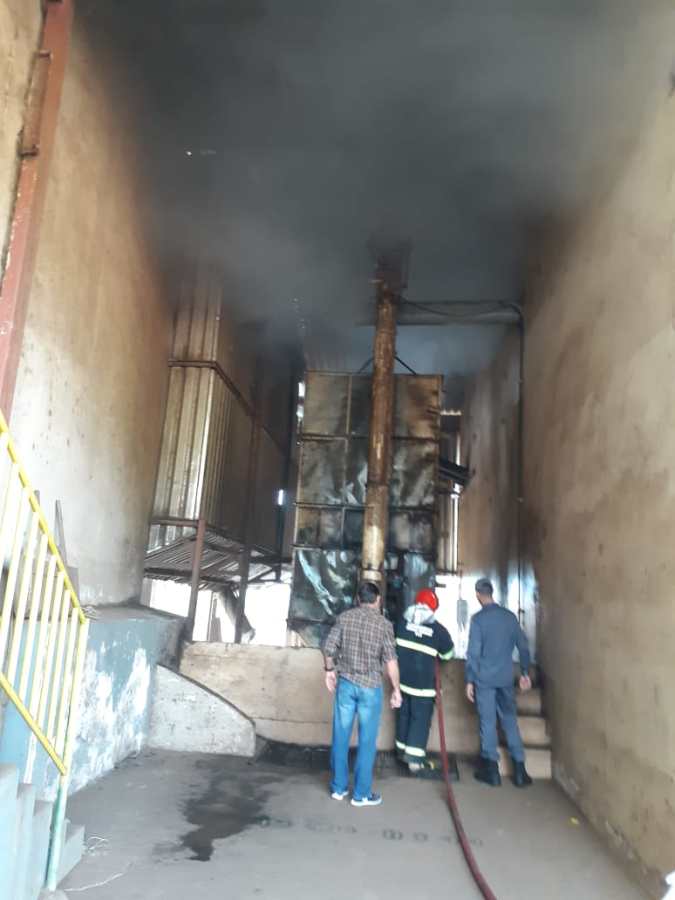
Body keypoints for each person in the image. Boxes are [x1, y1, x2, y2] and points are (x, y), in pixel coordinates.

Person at [323, 581, 402, 807]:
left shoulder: (344, 618)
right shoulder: (384, 625)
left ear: (358, 600)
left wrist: (329, 671)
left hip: (346, 685)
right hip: (370, 688)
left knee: (340, 736)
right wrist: (396, 689)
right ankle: (361, 795)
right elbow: (391, 661)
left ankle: (338, 788)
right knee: (367, 741)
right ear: (378, 600)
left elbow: (328, 648)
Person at [465, 577, 533, 788]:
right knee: (510, 721)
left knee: (487, 723)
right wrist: (525, 672)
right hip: (505, 678)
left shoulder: (478, 620)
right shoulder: (510, 617)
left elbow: (473, 653)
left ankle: (492, 772)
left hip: (484, 680)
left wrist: (469, 680)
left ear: (478, 594)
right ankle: (520, 771)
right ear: (492, 592)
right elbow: (523, 646)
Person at [394, 587, 454, 776]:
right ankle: (414, 761)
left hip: (402, 684)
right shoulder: (438, 630)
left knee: (403, 717)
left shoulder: (401, 624)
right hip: (424, 687)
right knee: (419, 721)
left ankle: (401, 752)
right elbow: (448, 654)